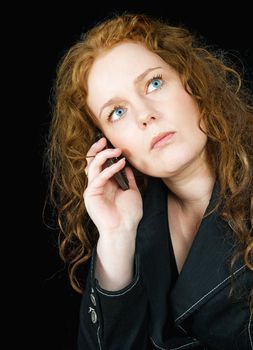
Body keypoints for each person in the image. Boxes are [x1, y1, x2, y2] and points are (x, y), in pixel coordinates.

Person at [46, 12, 253, 349]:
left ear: (192, 82)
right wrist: (117, 239)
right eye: (117, 112)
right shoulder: (138, 221)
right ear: (107, 144)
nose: (144, 115)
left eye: (154, 83)